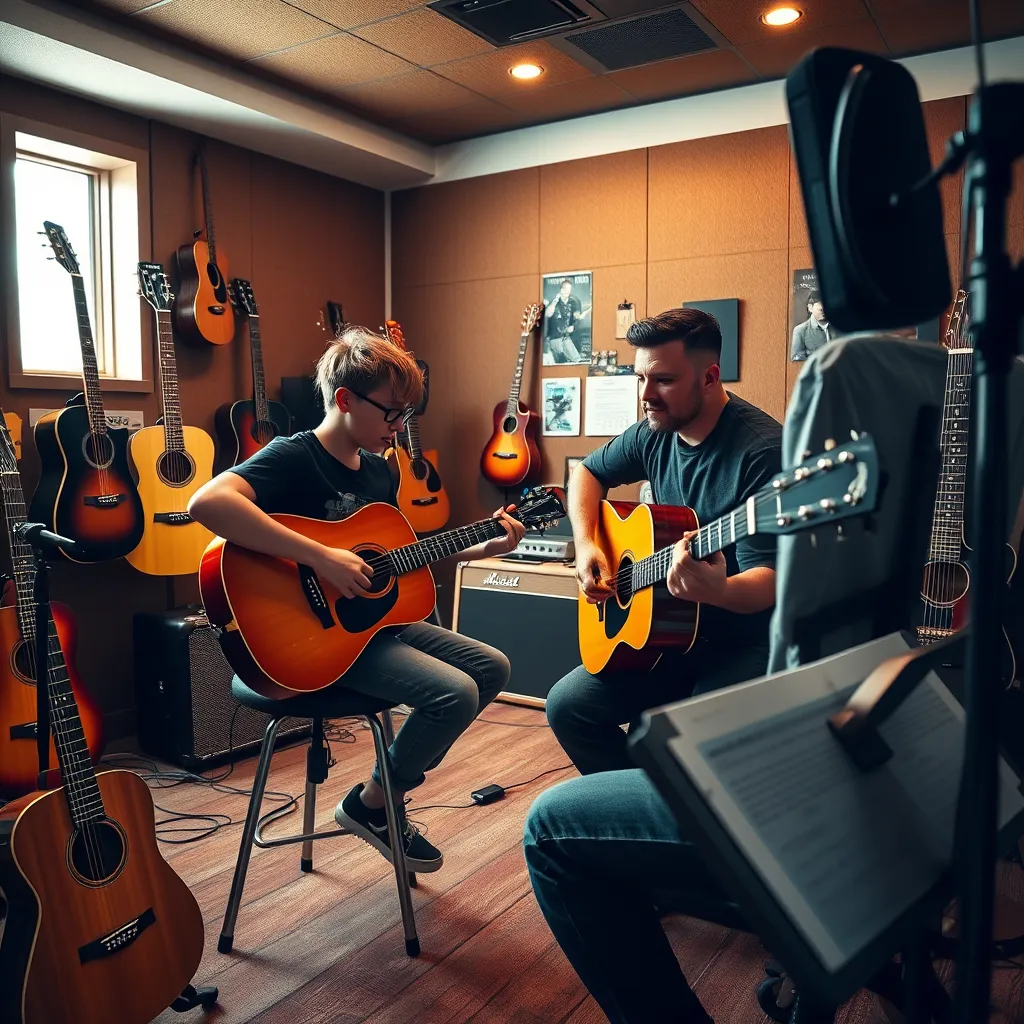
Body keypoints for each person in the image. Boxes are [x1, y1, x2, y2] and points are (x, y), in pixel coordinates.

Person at [524, 307, 783, 1023]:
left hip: (738, 644)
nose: (647, 396)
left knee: (694, 747)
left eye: (663, 381)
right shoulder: (653, 429)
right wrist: (589, 548)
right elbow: (585, 479)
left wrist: (718, 588)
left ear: (709, 375)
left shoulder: (763, 451)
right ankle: (642, 855)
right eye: (642, 378)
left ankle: (724, 878)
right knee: (570, 704)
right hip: (665, 635)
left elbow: (770, 583)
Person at [188, 326, 525, 874]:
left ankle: (378, 799)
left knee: (492, 667)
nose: (399, 427)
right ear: (345, 400)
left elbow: (397, 560)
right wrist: (321, 558)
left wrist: (481, 544)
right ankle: (375, 804)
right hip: (313, 639)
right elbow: (208, 502)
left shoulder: (377, 471)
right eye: (392, 412)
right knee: (453, 693)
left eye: (405, 415)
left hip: (371, 627)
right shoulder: (292, 457)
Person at [544, 278, 590, 364]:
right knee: (563, 342)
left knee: (566, 342)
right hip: (555, 338)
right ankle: (575, 360)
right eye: (565, 289)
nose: (567, 292)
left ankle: (576, 360)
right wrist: (555, 300)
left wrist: (573, 326)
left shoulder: (574, 302)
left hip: (569, 338)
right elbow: (548, 314)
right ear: (561, 289)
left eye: (569, 290)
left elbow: (577, 318)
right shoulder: (554, 302)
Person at [790, 289, 841, 361]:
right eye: (821, 310)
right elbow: (796, 358)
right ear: (810, 308)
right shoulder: (800, 330)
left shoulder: (839, 327)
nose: (825, 312)